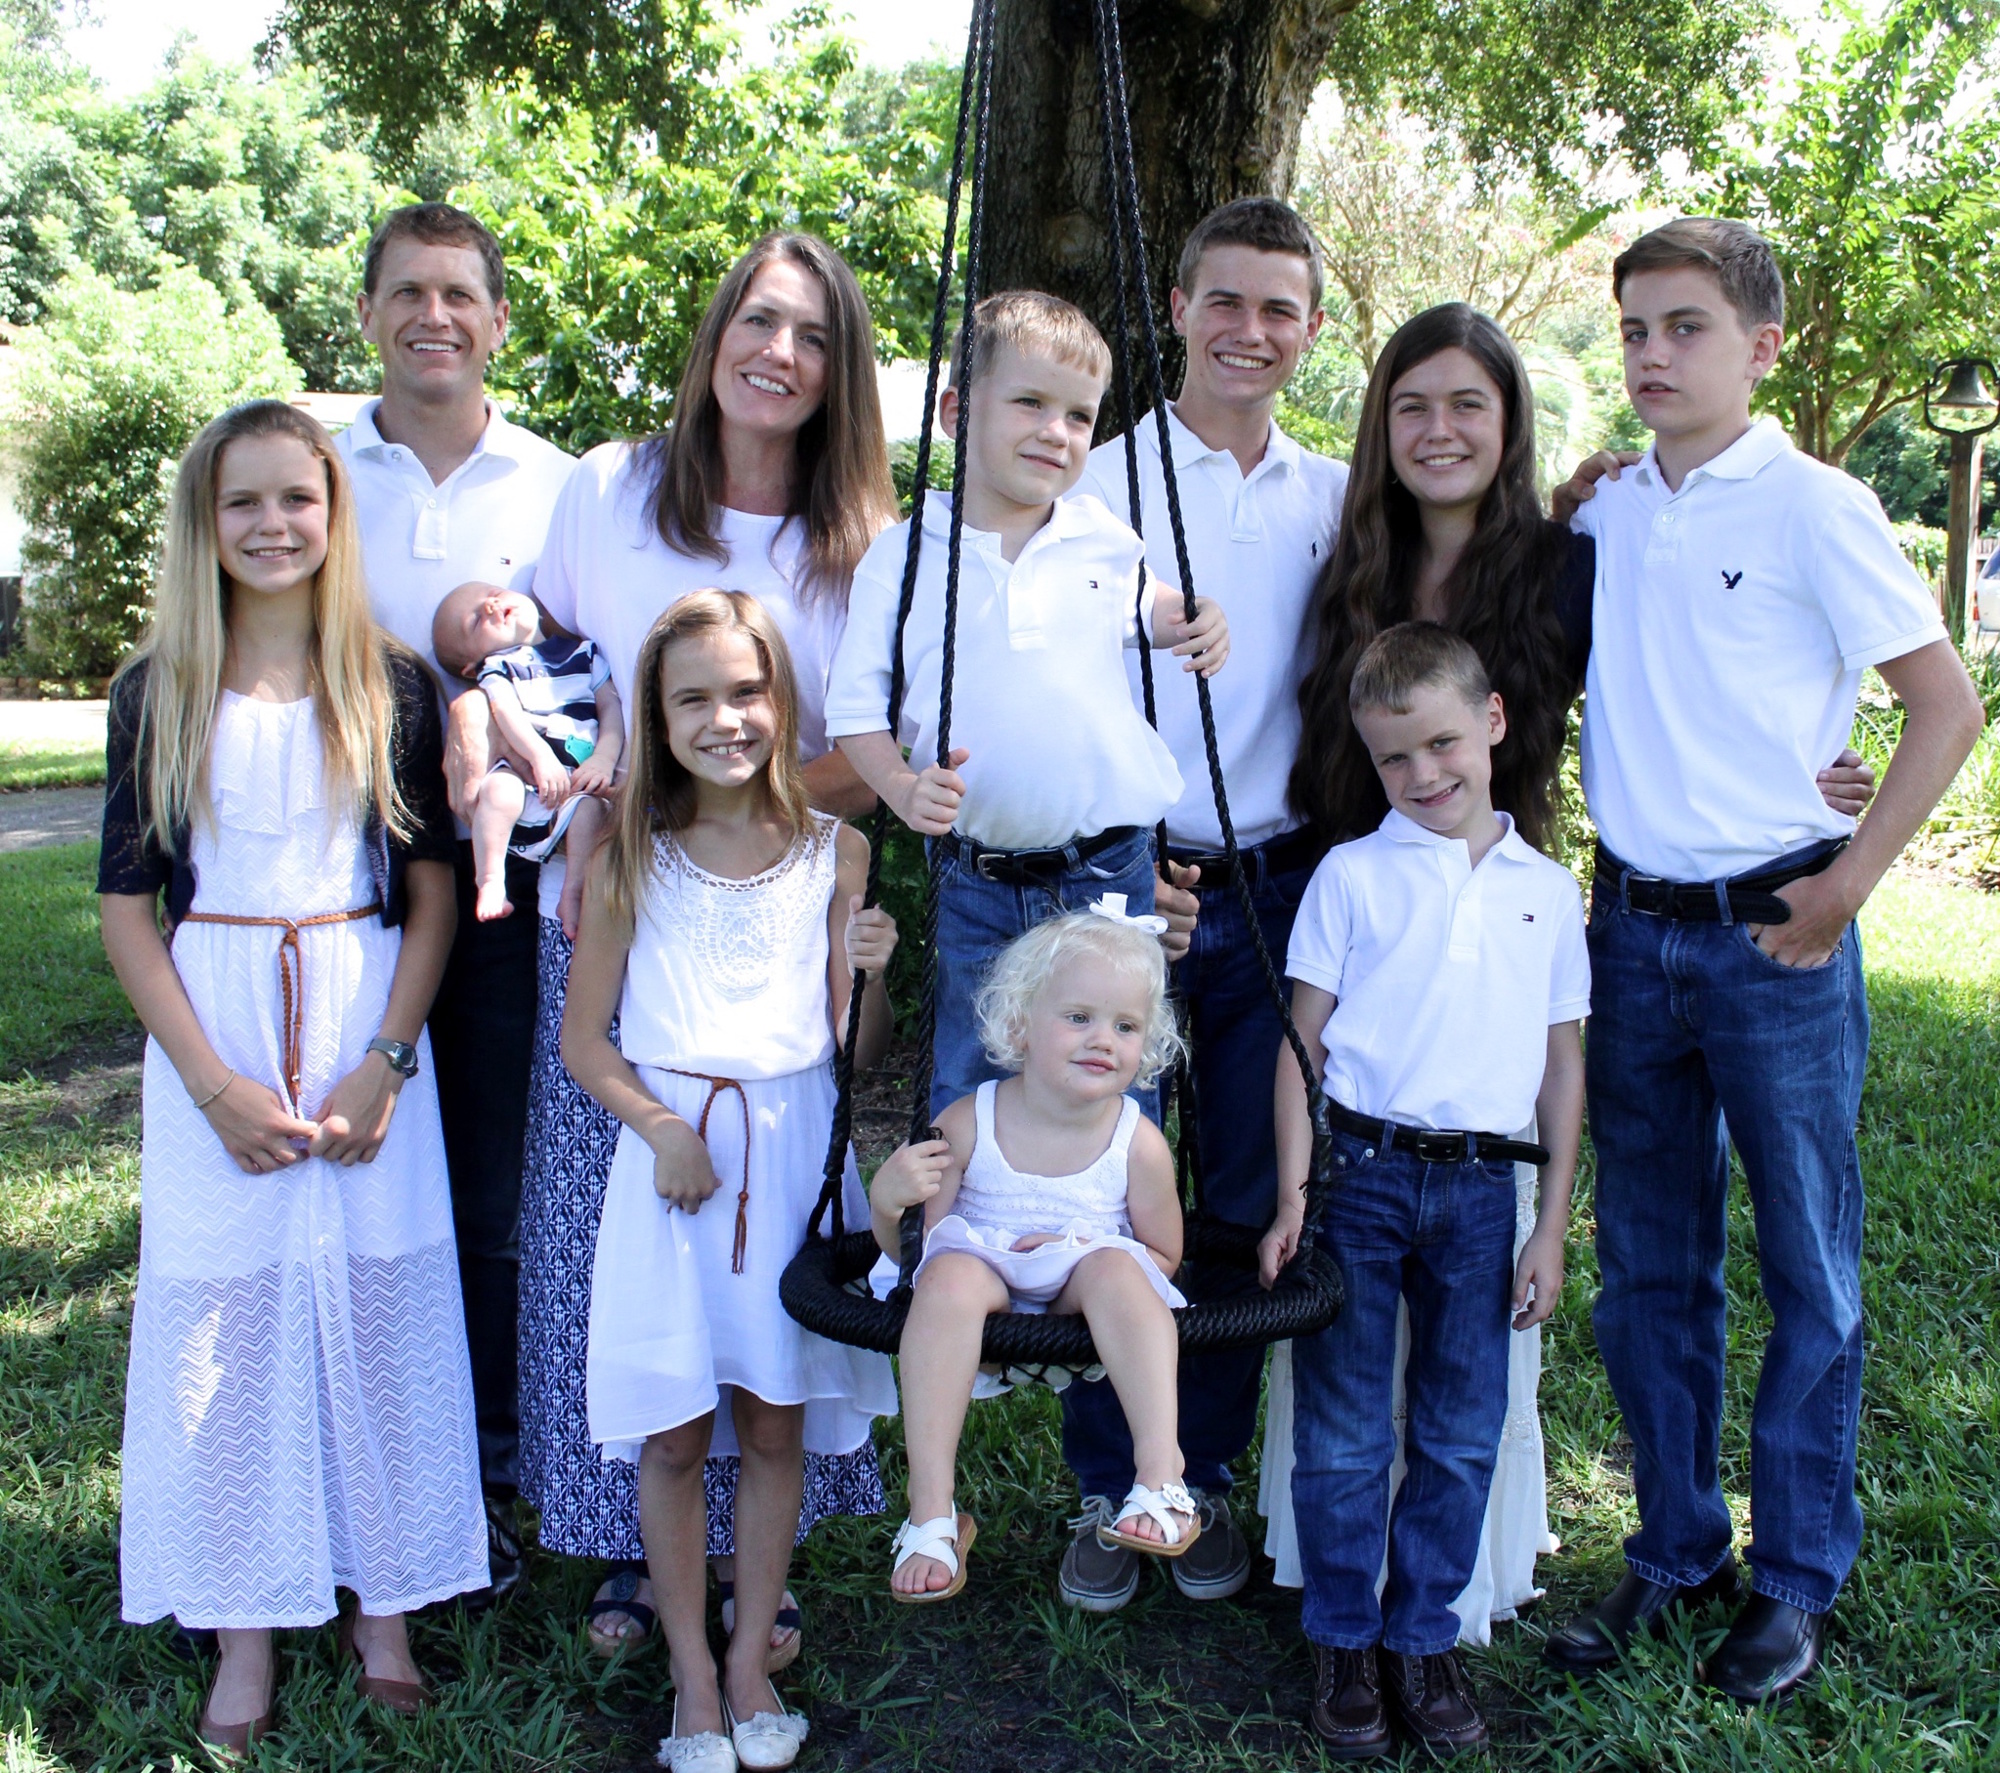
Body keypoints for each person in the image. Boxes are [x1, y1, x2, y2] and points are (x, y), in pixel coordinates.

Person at [1275, 301, 1881, 1643]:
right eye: (1413, 404)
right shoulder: (1346, 557)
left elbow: (1712, 680)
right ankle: (1332, 1563)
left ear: (1509, 425)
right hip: (1356, 931)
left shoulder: (1566, 558)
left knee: (1742, 1258)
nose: (1439, 430)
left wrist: (1823, 789)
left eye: (1468, 406)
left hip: (1519, 936)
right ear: (1381, 420)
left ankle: (1501, 1575)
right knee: (1370, 1260)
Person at [1540, 218, 1983, 1706]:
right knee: (1649, 1266)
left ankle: (1794, 1578)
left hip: (1777, 929)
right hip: (1632, 926)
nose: (1654, 355)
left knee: (1811, 1264)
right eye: (1636, 331)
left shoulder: (1820, 506)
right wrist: (1565, 492)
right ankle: (1675, 1551)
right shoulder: (1610, 510)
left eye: (1686, 328)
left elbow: (1945, 706)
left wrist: (1848, 889)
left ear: (1763, 345)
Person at [508, 231, 896, 1658]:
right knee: (614, 1253)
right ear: (718, 331)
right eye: (759, 320)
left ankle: (761, 1560)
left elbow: (873, 744)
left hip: (766, 917)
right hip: (621, 919)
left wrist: (755, 815)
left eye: (811, 335)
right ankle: (630, 1545)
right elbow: (527, 650)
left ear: (839, 369)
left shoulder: (863, 545)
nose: (778, 353)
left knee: (759, 1253)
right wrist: (590, 794)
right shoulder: (611, 487)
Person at [100, 401, 487, 1750]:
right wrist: (207, 1082)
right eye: (244, 502)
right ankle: (244, 1625)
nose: (274, 525)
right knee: (227, 1326)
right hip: (215, 1035)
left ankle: (384, 1604)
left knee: (379, 1314)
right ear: (205, 526)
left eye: (299, 501)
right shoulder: (160, 688)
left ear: (335, 516)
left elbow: (432, 896)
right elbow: (126, 913)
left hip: (362, 1025)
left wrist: (387, 1060)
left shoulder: (389, 680)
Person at [1060, 195, 1347, 1612]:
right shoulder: (1092, 480)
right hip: (1126, 878)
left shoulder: (1335, 494)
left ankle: (1204, 1475)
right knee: (1105, 1186)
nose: (1251, 331)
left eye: (1280, 308)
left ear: (1309, 328)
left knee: (1238, 1197)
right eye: (1225, 301)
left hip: (1281, 875)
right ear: (1176, 310)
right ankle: (1107, 1486)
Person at [561, 590, 900, 1772]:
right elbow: (584, 1042)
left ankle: (753, 1648)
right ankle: (691, 1675)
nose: (725, 718)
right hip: (675, 1168)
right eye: (692, 697)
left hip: (794, 1154)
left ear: (780, 701)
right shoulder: (630, 862)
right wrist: (660, 1128)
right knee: (671, 1435)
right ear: (656, 717)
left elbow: (852, 1049)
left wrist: (870, 971)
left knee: (772, 1421)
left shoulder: (835, 849)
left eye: (745, 692)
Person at [1261, 621, 1588, 1757]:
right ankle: (1342, 1636)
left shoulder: (1547, 892)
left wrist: (1547, 1223)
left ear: (1491, 723)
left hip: (1481, 1193)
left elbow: (1560, 1066)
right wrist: (1294, 1192)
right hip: (1356, 1176)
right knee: (1347, 1428)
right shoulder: (1350, 876)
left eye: (1442, 743)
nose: (1421, 776)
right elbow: (1300, 1048)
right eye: (1393, 758)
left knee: (1459, 1428)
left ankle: (1421, 1637)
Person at [336, 202, 579, 1596]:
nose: (434, 314)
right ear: (368, 314)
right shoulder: (315, 475)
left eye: (460, 295)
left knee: (489, 1187)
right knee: (351, 1177)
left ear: (497, 320)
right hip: (335, 880)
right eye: (407, 292)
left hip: (504, 886)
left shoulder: (560, 485)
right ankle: (357, 1456)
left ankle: (491, 1470)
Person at [826, 288, 1229, 1124]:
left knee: (1114, 1073)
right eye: (1031, 403)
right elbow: (855, 715)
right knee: (976, 1074)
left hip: (1110, 870)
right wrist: (903, 790)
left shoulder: (1099, 536)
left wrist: (1189, 616)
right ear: (954, 411)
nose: (1058, 432)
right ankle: (960, 1245)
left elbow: (1149, 606)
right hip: (980, 877)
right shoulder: (905, 558)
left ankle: (1116, 1247)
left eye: (1080, 417)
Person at [870, 905, 1199, 1602]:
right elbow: (915, 1253)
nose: (1102, 1039)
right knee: (950, 1276)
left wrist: (1081, 1251)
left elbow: (1163, 1254)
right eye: (1078, 1017)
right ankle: (931, 1509)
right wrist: (885, 1200)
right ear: (1019, 1024)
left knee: (1117, 1267)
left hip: (1083, 1279)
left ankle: (1159, 1473)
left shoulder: (1138, 1142)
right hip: (982, 1271)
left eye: (1126, 1025)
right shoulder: (968, 1121)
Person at [430, 580, 623, 934]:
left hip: (575, 787)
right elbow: (506, 716)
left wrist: (604, 760)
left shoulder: (584, 654)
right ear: (471, 669)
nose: (490, 605)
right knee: (499, 791)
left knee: (589, 811)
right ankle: (490, 879)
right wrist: (538, 756)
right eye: (474, 621)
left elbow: (611, 709)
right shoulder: (498, 669)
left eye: (491, 592)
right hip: (525, 781)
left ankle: (572, 891)